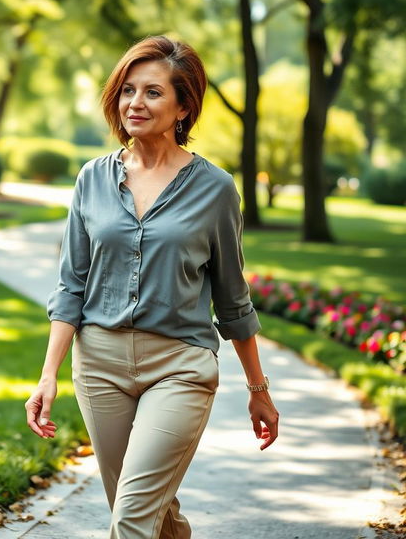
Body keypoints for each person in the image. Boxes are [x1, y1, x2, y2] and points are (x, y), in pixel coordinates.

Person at [25, 35, 279, 539]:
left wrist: (258, 388)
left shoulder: (215, 189)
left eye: (153, 93)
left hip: (180, 368)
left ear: (184, 105)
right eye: (127, 91)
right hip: (99, 366)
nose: (135, 103)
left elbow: (232, 299)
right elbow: (71, 284)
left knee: (132, 517)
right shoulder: (91, 179)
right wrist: (48, 375)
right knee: (147, 511)